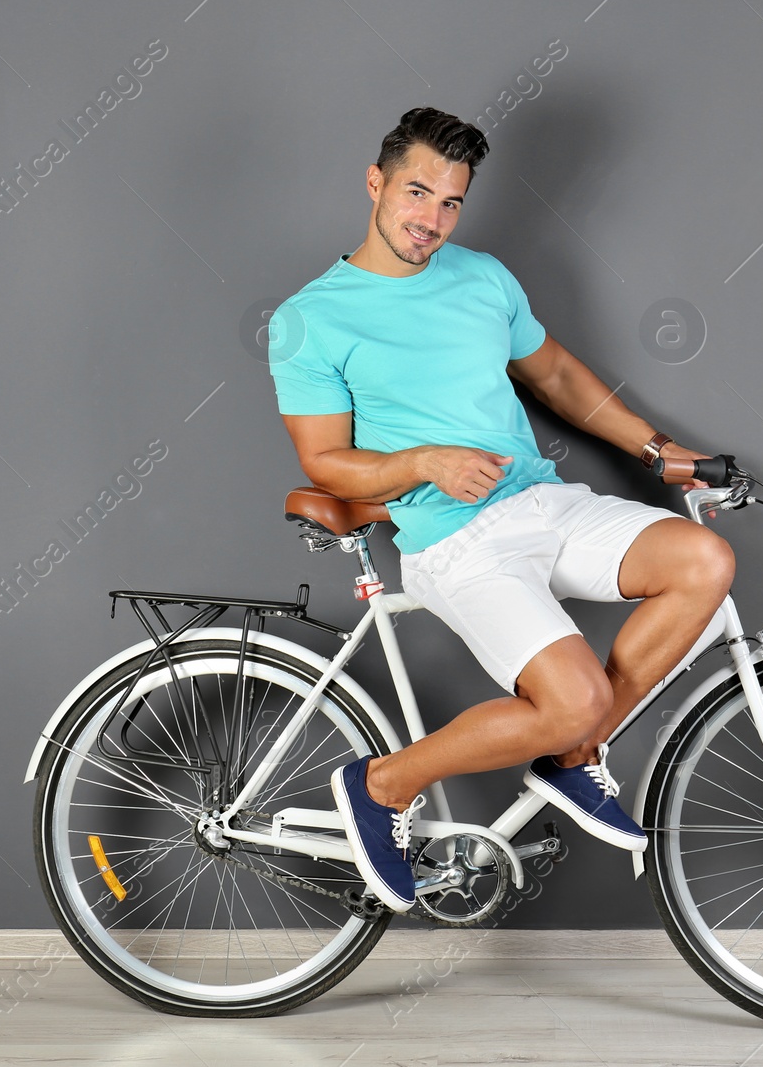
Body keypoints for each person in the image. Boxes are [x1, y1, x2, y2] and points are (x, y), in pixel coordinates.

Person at [267, 107, 735, 913]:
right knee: (574, 698)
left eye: (451, 202)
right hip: (454, 540)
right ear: (375, 182)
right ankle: (380, 785)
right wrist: (423, 462)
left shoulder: (484, 278)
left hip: (544, 503)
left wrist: (659, 450)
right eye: (417, 193)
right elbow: (324, 461)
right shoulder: (312, 317)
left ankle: (569, 755)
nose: (432, 220)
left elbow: (556, 377)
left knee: (706, 564)